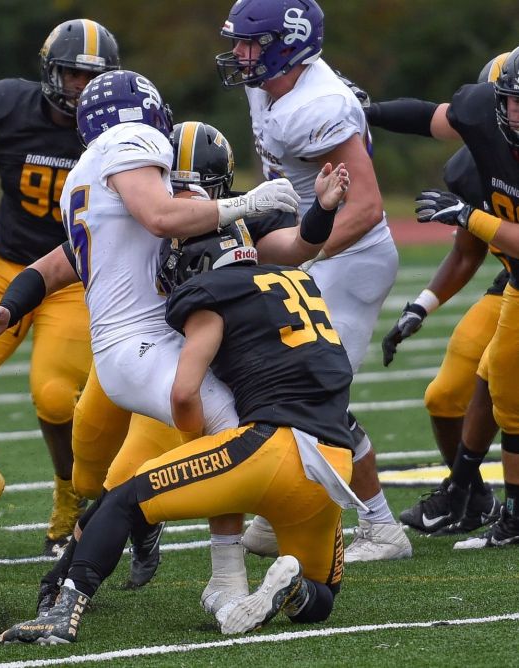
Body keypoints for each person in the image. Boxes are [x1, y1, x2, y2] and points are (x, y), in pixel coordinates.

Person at [0, 115, 351, 612]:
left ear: (219, 186)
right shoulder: (137, 217)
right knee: (91, 478)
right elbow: (51, 268)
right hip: (138, 355)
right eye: (175, 186)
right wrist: (9, 306)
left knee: (137, 481)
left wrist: (321, 211)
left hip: (191, 365)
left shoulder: (237, 223)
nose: (187, 198)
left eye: (199, 188)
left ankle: (100, 577)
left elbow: (297, 246)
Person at [215, 0, 411, 563]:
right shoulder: (270, 84)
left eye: (250, 44)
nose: (239, 54)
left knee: (311, 393)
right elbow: (282, 171)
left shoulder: (317, 105)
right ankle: (283, 512)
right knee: (278, 384)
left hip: (348, 256)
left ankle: (380, 527)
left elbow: (366, 206)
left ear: (287, 45)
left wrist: (300, 254)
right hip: (308, 243)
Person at [0, 18, 120, 555]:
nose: (81, 87)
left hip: (74, 275)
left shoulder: (119, 126)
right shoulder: (8, 108)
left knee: (56, 397)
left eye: (93, 77)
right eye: (72, 74)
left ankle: (68, 498)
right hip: (7, 263)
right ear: (49, 71)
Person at [368, 46, 519, 547]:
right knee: (445, 394)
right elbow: (467, 252)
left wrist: (469, 215)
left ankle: (480, 499)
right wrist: (421, 306)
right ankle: (469, 494)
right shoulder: (475, 153)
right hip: (512, 282)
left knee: (503, 386)